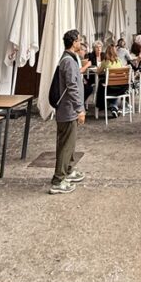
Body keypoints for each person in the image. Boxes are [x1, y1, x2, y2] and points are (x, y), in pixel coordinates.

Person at [50, 28, 86, 194]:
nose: (80, 43)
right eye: (79, 40)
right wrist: (79, 108)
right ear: (74, 42)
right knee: (65, 144)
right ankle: (58, 180)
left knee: (69, 143)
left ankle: (69, 170)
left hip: (68, 109)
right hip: (68, 109)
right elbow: (71, 86)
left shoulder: (70, 59)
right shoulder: (68, 61)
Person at [96, 43, 125, 117]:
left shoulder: (105, 62)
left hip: (110, 88)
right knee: (111, 86)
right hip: (120, 88)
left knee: (101, 84)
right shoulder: (118, 61)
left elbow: (98, 72)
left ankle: (110, 106)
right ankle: (114, 107)